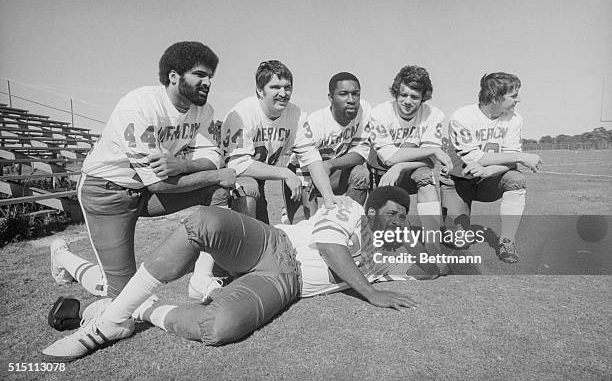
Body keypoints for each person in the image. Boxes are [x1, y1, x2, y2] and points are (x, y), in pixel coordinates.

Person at [42, 187, 420, 361]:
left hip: (287, 282)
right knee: (204, 221)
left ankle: (131, 309)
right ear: (371, 212)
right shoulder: (350, 209)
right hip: (274, 244)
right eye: (392, 214)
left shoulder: (384, 255)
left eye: (402, 219)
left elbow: (433, 265)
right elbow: (332, 247)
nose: (397, 223)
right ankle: (111, 317)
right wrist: (370, 292)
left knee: (219, 327)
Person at [49, 41, 236, 303]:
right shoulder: (139, 105)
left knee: (218, 192)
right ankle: (63, 257)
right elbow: (159, 182)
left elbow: (212, 156)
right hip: (107, 192)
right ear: (174, 76)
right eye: (200, 75)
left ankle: (201, 279)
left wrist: (184, 165)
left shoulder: (203, 110)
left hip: (144, 191)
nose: (207, 83)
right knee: (124, 298)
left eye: (210, 77)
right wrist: (216, 174)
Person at [220, 60, 341, 224]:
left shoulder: (295, 114)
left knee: (264, 233)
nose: (283, 93)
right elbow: (237, 165)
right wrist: (285, 173)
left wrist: (328, 196)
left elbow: (311, 156)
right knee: (247, 193)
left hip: (260, 179)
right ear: (260, 90)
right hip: (231, 180)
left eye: (287, 87)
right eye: (275, 87)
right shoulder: (242, 113)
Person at [440, 72, 542, 263]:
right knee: (458, 242)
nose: (518, 99)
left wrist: (488, 171)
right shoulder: (462, 117)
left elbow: (509, 162)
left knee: (516, 179)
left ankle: (507, 241)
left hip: (489, 180)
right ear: (495, 96)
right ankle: (449, 225)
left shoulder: (514, 119)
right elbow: (474, 157)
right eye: (513, 95)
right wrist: (522, 156)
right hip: (458, 181)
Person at [367, 65, 449, 275]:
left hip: (411, 169)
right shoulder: (380, 112)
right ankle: (365, 241)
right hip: (381, 171)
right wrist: (429, 151)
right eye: (403, 94)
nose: (407, 101)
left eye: (414, 96)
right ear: (396, 92)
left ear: (424, 98)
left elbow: (428, 158)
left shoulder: (434, 114)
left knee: (426, 179)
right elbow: (388, 156)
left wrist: (401, 165)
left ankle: (434, 249)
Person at [283, 72, 371, 223]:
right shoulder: (315, 123)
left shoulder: (364, 110)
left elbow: (360, 154)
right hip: (304, 175)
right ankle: (290, 213)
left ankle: (346, 222)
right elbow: (300, 162)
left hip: (333, 173)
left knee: (361, 173)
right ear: (331, 98)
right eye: (343, 94)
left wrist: (329, 164)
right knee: (310, 228)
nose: (351, 100)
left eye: (355, 94)